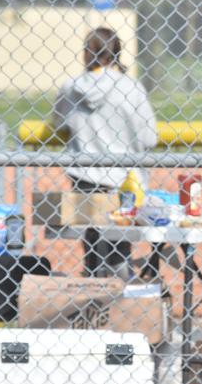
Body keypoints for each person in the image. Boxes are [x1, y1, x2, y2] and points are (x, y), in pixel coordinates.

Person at [52, 27, 158, 279]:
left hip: (85, 176)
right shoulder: (131, 88)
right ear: (117, 53)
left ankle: (93, 285)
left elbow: (59, 124)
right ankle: (118, 292)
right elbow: (149, 137)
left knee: (92, 244)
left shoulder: (71, 87)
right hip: (124, 179)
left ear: (86, 54)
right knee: (119, 247)